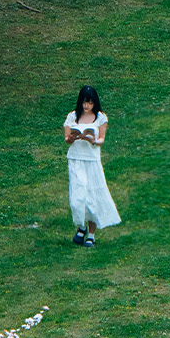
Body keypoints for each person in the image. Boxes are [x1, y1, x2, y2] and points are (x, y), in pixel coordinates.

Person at [62, 86, 121, 246]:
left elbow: (101, 138)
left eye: (89, 103)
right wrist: (72, 138)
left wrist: (93, 140)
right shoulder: (72, 116)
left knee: (92, 196)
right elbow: (67, 138)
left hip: (91, 160)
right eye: (84, 102)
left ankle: (91, 235)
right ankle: (81, 227)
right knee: (78, 197)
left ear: (94, 103)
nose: (86, 106)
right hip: (76, 159)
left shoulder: (100, 117)